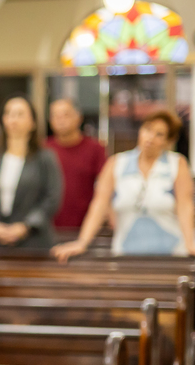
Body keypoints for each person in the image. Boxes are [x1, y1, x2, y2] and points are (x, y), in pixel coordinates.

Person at [53, 109, 195, 260]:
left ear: (168, 140)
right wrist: (82, 242)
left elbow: (185, 207)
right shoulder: (117, 163)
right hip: (126, 253)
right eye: (148, 129)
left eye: (159, 134)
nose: (151, 138)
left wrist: (190, 242)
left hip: (171, 254)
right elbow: (99, 205)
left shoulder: (176, 164)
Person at [0, 95, 63, 250]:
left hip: (33, 241)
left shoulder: (45, 158)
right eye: (8, 113)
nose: (13, 119)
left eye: (19, 114)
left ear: (33, 122)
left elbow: (52, 198)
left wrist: (25, 226)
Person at [46, 98, 106, 230]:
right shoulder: (43, 149)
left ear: (79, 117)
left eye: (66, 115)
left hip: (86, 228)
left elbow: (105, 188)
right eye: (56, 116)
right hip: (47, 228)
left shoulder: (95, 149)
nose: (61, 120)